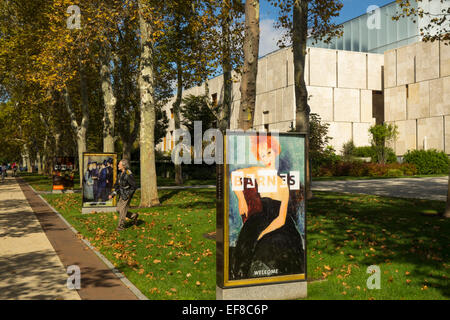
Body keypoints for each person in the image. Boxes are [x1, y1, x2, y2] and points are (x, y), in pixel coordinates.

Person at [230, 135, 304, 280]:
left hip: (280, 223)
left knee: (277, 244)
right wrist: (241, 200)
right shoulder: (259, 171)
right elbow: (235, 175)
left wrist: (264, 233)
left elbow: (281, 219)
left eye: (269, 153)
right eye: (262, 156)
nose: (267, 159)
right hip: (259, 218)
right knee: (248, 244)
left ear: (276, 151)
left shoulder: (283, 184)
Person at [109, 159, 137, 231]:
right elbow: (117, 186)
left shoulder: (128, 174)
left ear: (123, 166)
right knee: (118, 210)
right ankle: (133, 215)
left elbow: (134, 186)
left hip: (127, 195)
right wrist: (112, 194)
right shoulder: (119, 174)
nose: (118, 165)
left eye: (119, 164)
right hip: (121, 194)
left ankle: (120, 226)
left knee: (122, 210)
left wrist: (129, 195)